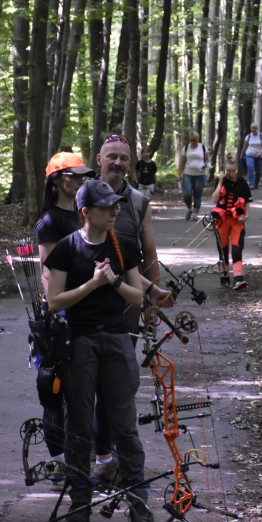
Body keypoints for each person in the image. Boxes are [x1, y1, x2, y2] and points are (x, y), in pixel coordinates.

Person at [43, 179, 170, 522]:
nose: (115, 211)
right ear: (86, 212)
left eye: (116, 205)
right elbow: (54, 302)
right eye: (106, 207)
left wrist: (112, 282)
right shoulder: (67, 249)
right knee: (79, 424)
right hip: (80, 343)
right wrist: (91, 285)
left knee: (124, 426)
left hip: (116, 341)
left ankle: (138, 505)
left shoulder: (123, 244)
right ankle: (79, 504)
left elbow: (135, 297)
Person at [95, 134, 164, 482]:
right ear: (99, 159)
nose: (118, 163)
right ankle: (95, 458)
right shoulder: (84, 197)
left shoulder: (138, 202)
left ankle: (112, 459)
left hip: (127, 308)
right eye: (112, 157)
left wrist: (151, 302)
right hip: (84, 307)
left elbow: (149, 253)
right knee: (85, 386)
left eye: (124, 158)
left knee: (118, 386)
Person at [35, 151, 95, 478]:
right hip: (61, 313)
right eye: (72, 176)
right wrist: (58, 307)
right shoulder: (49, 221)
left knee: (83, 392)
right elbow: (49, 272)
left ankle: (83, 458)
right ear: (57, 180)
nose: (78, 182)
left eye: (82, 176)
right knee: (56, 391)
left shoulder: (84, 214)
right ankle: (59, 461)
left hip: (85, 306)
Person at [210, 159, 252, 290]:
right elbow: (214, 199)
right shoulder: (220, 182)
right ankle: (224, 277)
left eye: (233, 171)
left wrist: (247, 215)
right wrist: (221, 181)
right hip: (222, 222)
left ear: (237, 169)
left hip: (237, 222)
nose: (231, 174)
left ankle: (238, 279)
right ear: (225, 170)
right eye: (228, 171)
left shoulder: (242, 183)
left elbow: (247, 203)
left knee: (236, 249)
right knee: (222, 250)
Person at [177, 131, 210, 221]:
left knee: (197, 194)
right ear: (189, 140)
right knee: (187, 193)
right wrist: (179, 174)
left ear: (198, 139)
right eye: (191, 140)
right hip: (188, 174)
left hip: (200, 175)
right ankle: (189, 209)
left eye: (195, 140)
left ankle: (195, 214)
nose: (193, 142)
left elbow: (208, 161)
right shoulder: (186, 148)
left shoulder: (203, 148)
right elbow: (182, 162)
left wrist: (206, 165)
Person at [238, 123, 262, 189]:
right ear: (251, 128)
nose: (254, 130)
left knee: (258, 171)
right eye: (252, 128)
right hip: (249, 154)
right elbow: (245, 146)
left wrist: (260, 153)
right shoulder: (248, 136)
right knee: (250, 168)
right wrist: (241, 155)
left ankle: (256, 183)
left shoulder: (261, 136)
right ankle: (252, 184)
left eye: (255, 128)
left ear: (257, 128)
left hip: (259, 156)